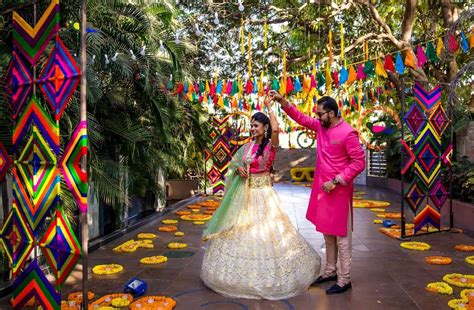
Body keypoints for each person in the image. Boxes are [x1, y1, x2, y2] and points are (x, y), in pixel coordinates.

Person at [201, 97, 321, 300]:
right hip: (244, 196)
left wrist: (269, 107)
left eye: (256, 125)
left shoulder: (270, 146)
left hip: (263, 196)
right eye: (251, 125)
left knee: (265, 234)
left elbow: (276, 130)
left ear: (265, 127)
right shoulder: (247, 146)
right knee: (239, 232)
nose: (252, 128)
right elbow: (235, 164)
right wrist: (239, 169)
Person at [269, 90, 366, 295]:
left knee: (341, 237)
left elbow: (359, 162)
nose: (317, 117)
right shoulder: (322, 127)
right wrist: (282, 101)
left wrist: (337, 181)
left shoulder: (348, 133)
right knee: (327, 234)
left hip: (338, 191)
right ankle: (330, 271)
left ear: (331, 113)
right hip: (322, 191)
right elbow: (300, 118)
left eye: (320, 113)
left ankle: (344, 279)